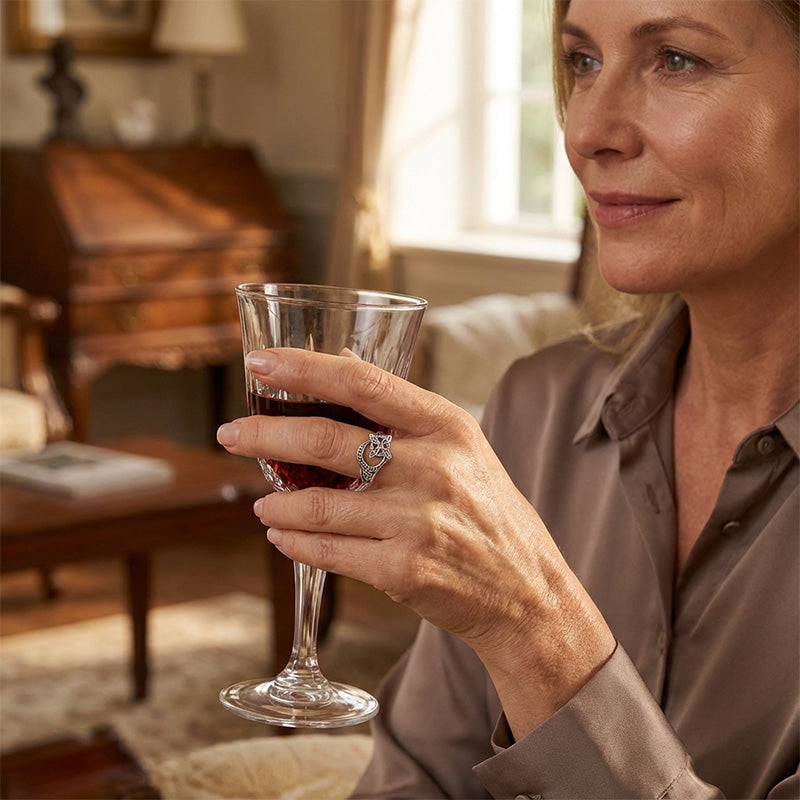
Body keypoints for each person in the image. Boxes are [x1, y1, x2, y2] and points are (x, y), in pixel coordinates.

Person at [216, 0, 799, 796]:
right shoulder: (540, 403)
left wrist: (534, 630)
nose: (589, 131)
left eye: (677, 60)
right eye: (583, 62)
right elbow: (417, 774)